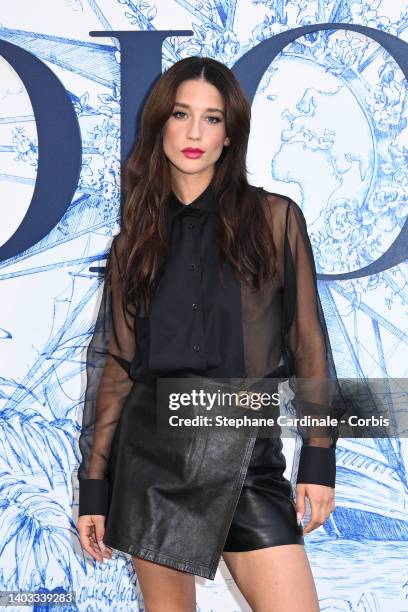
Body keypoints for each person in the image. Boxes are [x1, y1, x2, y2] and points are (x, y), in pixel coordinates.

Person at [76, 56, 343, 612]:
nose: (195, 132)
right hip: (152, 465)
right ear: (160, 127)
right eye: (181, 114)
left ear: (230, 134)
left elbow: (308, 345)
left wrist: (318, 459)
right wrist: (95, 487)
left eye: (212, 118)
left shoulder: (275, 220)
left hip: (248, 459)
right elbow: (118, 370)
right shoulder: (133, 246)